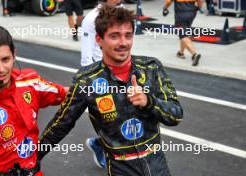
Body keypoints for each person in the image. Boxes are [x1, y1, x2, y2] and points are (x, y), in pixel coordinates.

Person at [39, 5, 183, 175]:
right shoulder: (86, 80)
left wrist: (148, 101)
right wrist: (32, 157)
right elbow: (61, 124)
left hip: (157, 164)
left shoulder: (151, 67)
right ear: (99, 39)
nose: (123, 43)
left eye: (128, 35)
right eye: (114, 36)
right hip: (120, 168)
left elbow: (176, 115)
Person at [0, 24, 68, 175]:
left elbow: (68, 93)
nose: (1, 69)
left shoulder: (30, 82)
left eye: (5, 59)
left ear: (14, 55)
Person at [80, 0, 123, 169]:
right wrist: (89, 82)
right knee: (112, 120)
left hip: (120, 74)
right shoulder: (91, 19)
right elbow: (86, 55)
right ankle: (104, 147)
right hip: (101, 79)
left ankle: (99, 143)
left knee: (124, 118)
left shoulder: (121, 9)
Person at [81, 0, 123, 67]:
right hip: (102, 68)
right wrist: (88, 73)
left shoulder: (124, 13)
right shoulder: (91, 19)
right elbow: (86, 56)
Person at [163, 0, 203, 66]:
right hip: (192, 13)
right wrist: (199, 7)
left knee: (182, 34)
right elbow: (200, 1)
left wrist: (165, 8)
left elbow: (168, 2)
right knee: (184, 32)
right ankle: (181, 52)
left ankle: (194, 54)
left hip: (180, 14)